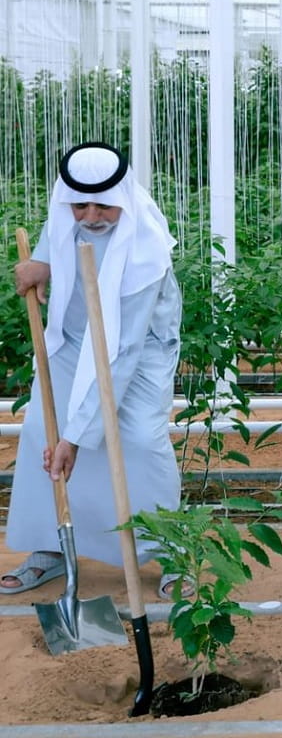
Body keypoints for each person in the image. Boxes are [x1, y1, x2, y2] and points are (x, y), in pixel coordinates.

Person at [5, 142, 183, 596]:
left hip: (137, 351)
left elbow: (118, 355)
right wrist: (41, 262)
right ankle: (50, 547)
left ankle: (172, 552)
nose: (90, 216)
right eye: (79, 204)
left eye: (103, 205)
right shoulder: (68, 214)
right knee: (42, 432)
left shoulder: (146, 253)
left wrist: (77, 438)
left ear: (122, 197)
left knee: (141, 441)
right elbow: (55, 232)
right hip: (73, 338)